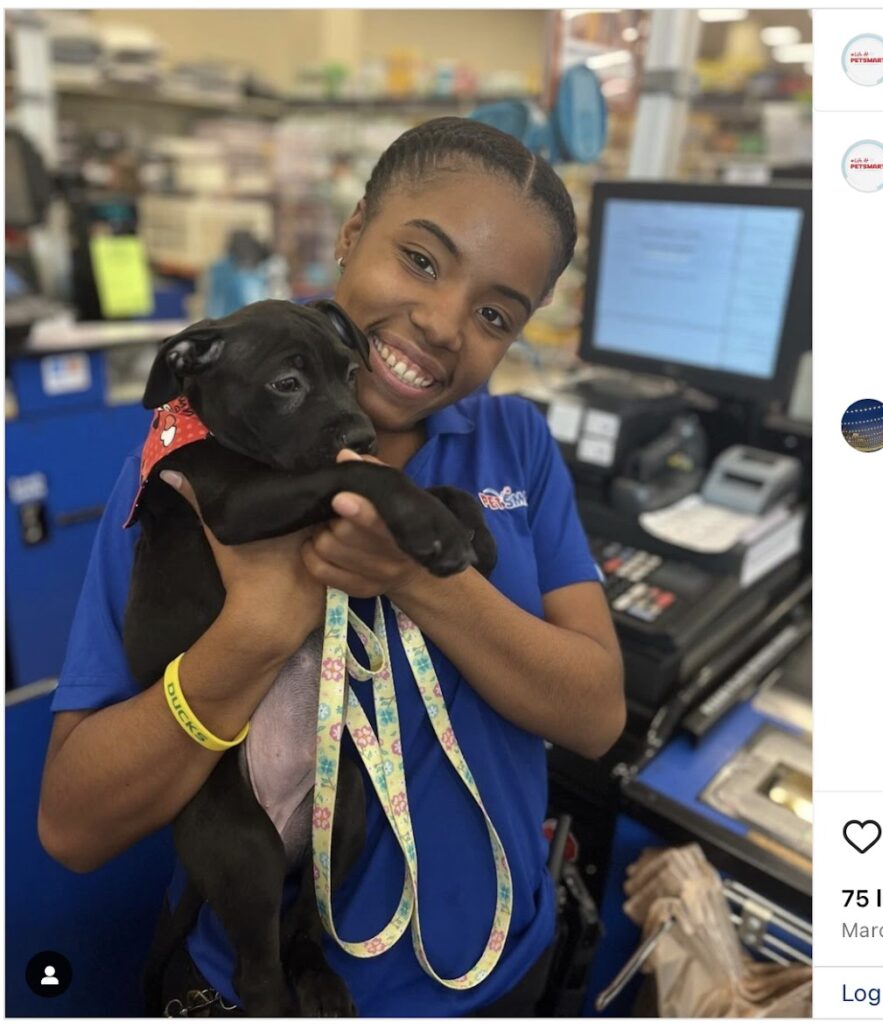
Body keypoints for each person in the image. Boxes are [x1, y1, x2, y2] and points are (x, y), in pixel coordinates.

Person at [36, 117, 626, 1016]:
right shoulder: (188, 465)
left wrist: (417, 574)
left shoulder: (517, 444)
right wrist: (254, 632)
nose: (441, 323)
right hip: (268, 987)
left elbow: (596, 715)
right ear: (351, 234)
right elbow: (71, 826)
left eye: (496, 313)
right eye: (422, 260)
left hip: (503, 968)